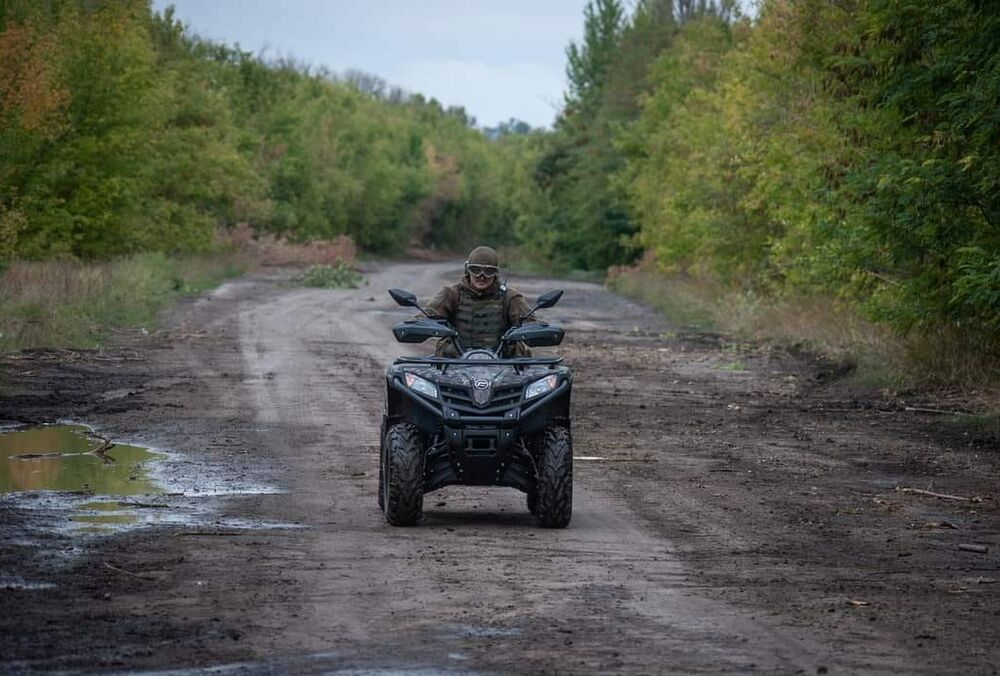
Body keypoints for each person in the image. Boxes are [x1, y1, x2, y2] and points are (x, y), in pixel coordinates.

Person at [426, 246, 533, 357]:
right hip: (455, 363)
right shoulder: (451, 294)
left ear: (496, 272)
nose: (481, 276)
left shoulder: (510, 297)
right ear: (467, 270)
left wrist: (536, 332)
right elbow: (424, 319)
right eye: (475, 270)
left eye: (488, 271)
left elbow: (532, 325)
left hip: (503, 364)